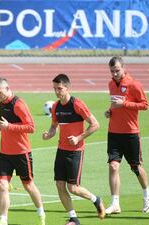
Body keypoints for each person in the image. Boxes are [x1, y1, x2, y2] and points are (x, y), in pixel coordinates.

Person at [42, 74, 105, 225]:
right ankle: (73, 219)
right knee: (59, 184)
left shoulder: (77, 104)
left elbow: (95, 124)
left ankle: (96, 200)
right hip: (61, 150)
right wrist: (49, 134)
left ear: (67, 87)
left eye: (59, 88)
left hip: (75, 151)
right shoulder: (56, 106)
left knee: (73, 188)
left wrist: (79, 138)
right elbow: (54, 126)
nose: (57, 92)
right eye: (54, 89)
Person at [0, 77, 45, 225]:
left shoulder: (19, 104)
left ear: (8, 88)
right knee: (2, 185)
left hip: (22, 153)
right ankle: (3, 219)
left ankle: (40, 210)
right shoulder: (1, 103)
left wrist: (9, 127)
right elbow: (6, 124)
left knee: (28, 185)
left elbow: (31, 127)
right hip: (5, 153)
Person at [104, 56, 149, 214]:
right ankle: (115, 203)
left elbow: (145, 105)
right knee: (113, 166)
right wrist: (110, 111)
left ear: (124, 68)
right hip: (114, 133)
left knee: (135, 167)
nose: (115, 74)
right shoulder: (111, 84)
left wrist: (124, 104)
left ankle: (146, 194)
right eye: (112, 71)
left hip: (131, 133)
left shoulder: (134, 84)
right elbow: (114, 104)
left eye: (117, 70)